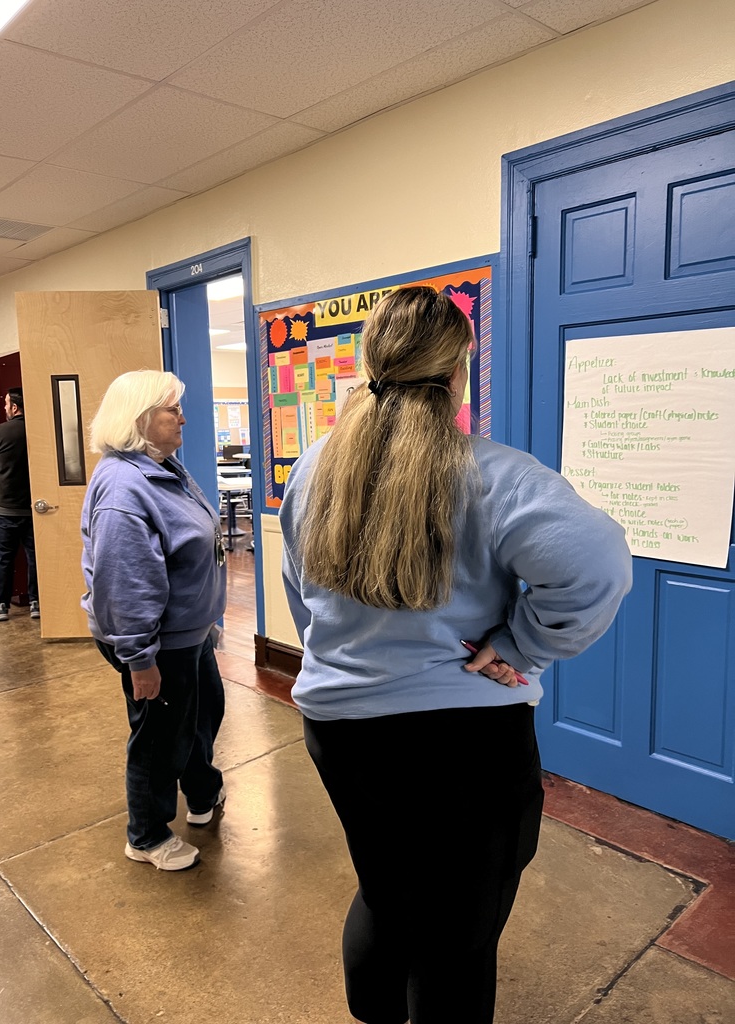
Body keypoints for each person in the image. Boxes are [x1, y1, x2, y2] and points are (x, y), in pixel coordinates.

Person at [279, 286, 632, 1024]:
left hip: (338, 727)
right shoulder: (493, 474)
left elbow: (300, 593)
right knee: (460, 936)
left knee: (386, 887)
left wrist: (344, 660)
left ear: (371, 364)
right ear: (456, 374)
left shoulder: (313, 468)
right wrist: (523, 644)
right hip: (462, 742)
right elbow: (598, 564)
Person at [81, 370, 227, 872]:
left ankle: (204, 789)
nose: (183, 417)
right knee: (160, 738)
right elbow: (125, 586)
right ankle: (145, 835)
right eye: (172, 409)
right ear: (140, 418)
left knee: (203, 713)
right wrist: (140, 660)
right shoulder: (126, 489)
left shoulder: (161, 467)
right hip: (155, 643)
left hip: (186, 634)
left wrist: (205, 620)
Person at [0, 387, 39, 622]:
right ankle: (36, 603)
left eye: (5, 404)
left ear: (14, 407)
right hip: (34, 507)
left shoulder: (1, 432)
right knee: (34, 557)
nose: (4, 408)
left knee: (5, 557)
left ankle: (1, 606)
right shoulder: (38, 430)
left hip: (6, 509)